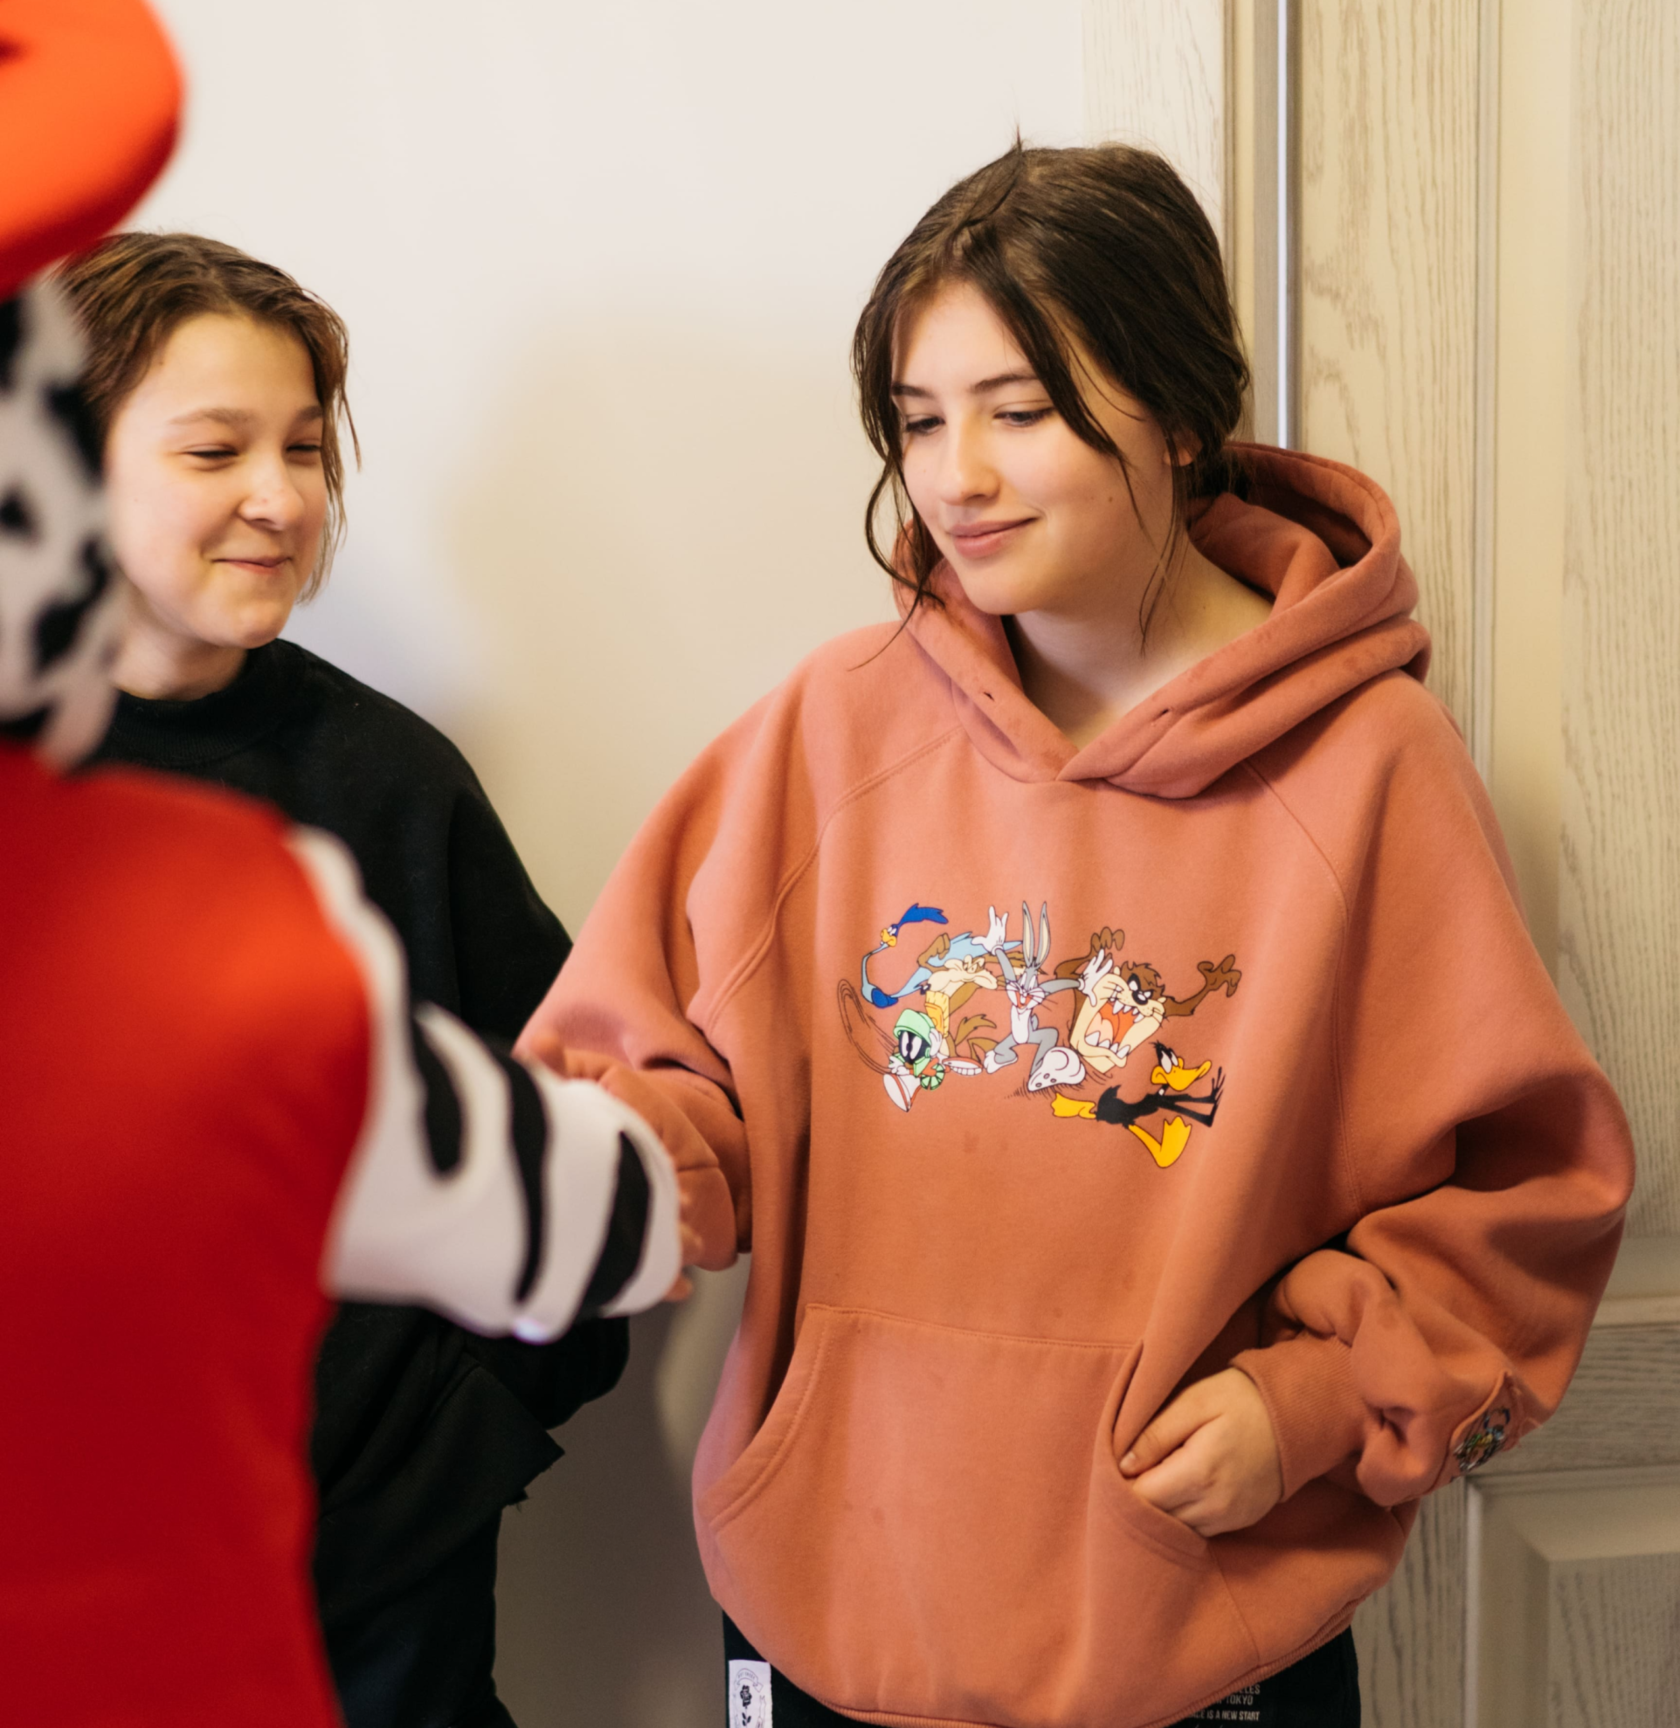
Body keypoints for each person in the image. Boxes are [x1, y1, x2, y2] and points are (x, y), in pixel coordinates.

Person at [516, 143, 1635, 1728]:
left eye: (1020, 411)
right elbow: (659, 1071)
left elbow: (1525, 1196)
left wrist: (1311, 1403)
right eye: (919, 421)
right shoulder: (832, 728)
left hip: (1197, 1627)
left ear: (1177, 413)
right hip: (832, 1604)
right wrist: (619, 1167)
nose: (956, 477)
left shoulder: (1370, 772)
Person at [0, 83, 687, 1728]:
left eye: (304, 448)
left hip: (378, 1607)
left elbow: (582, 1120)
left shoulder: (390, 780)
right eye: (214, 449)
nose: (280, 496)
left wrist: (456, 1449)